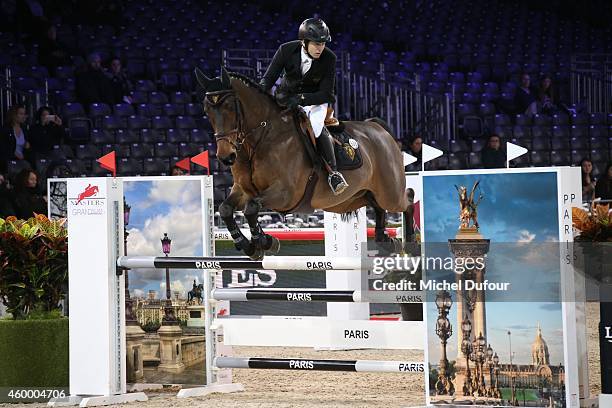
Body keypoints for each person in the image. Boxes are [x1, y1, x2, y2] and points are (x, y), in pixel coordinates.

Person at [259, 17, 348, 195]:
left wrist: (300, 99)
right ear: (303, 42)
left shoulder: (329, 58)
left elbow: (327, 94)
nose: (320, 48)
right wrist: (259, 95)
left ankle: (333, 173)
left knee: (315, 126)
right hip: (284, 97)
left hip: (314, 101)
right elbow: (267, 80)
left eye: (323, 43)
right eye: (316, 44)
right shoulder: (286, 50)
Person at [0, 105, 32, 172]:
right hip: (10, 160)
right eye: (21, 114)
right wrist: (14, 153)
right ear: (14, 115)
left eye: (24, 114)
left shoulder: (25, 129)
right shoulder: (6, 129)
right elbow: (3, 147)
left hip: (22, 160)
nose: (23, 116)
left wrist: (27, 146)